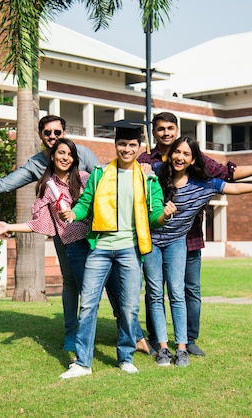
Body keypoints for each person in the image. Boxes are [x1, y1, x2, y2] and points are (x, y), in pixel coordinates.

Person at [138, 111, 252, 356]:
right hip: (155, 237)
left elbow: (228, 177)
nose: (166, 133)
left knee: (188, 289)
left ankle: (188, 341)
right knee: (155, 290)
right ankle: (158, 340)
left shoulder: (195, 157)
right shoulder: (149, 162)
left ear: (177, 131)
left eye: (171, 128)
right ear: (154, 131)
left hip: (186, 237)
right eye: (160, 129)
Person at [0, 115, 99, 352]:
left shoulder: (82, 155)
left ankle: (125, 333)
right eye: (47, 133)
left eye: (57, 132)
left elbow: (103, 183)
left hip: (93, 232)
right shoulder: (38, 164)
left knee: (101, 285)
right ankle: (72, 333)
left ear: (64, 132)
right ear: (41, 135)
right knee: (70, 282)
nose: (53, 137)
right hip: (64, 235)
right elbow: (7, 184)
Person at [57, 120, 175, 379]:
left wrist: (164, 217)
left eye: (132, 145)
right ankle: (83, 363)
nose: (127, 149)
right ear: (116, 145)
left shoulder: (148, 178)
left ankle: (125, 356)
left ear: (139, 146)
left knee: (129, 307)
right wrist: (72, 214)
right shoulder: (100, 174)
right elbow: (85, 204)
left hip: (130, 250)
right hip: (99, 249)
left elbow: (154, 213)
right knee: (88, 305)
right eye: (122, 144)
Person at [0, 138, 91, 352]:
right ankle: (72, 333)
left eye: (69, 154)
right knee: (70, 285)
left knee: (91, 289)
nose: (65, 158)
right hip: (65, 242)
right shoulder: (47, 186)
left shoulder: (84, 179)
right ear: (52, 156)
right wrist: (8, 227)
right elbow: (39, 223)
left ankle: (119, 333)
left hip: (89, 241)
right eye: (61, 153)